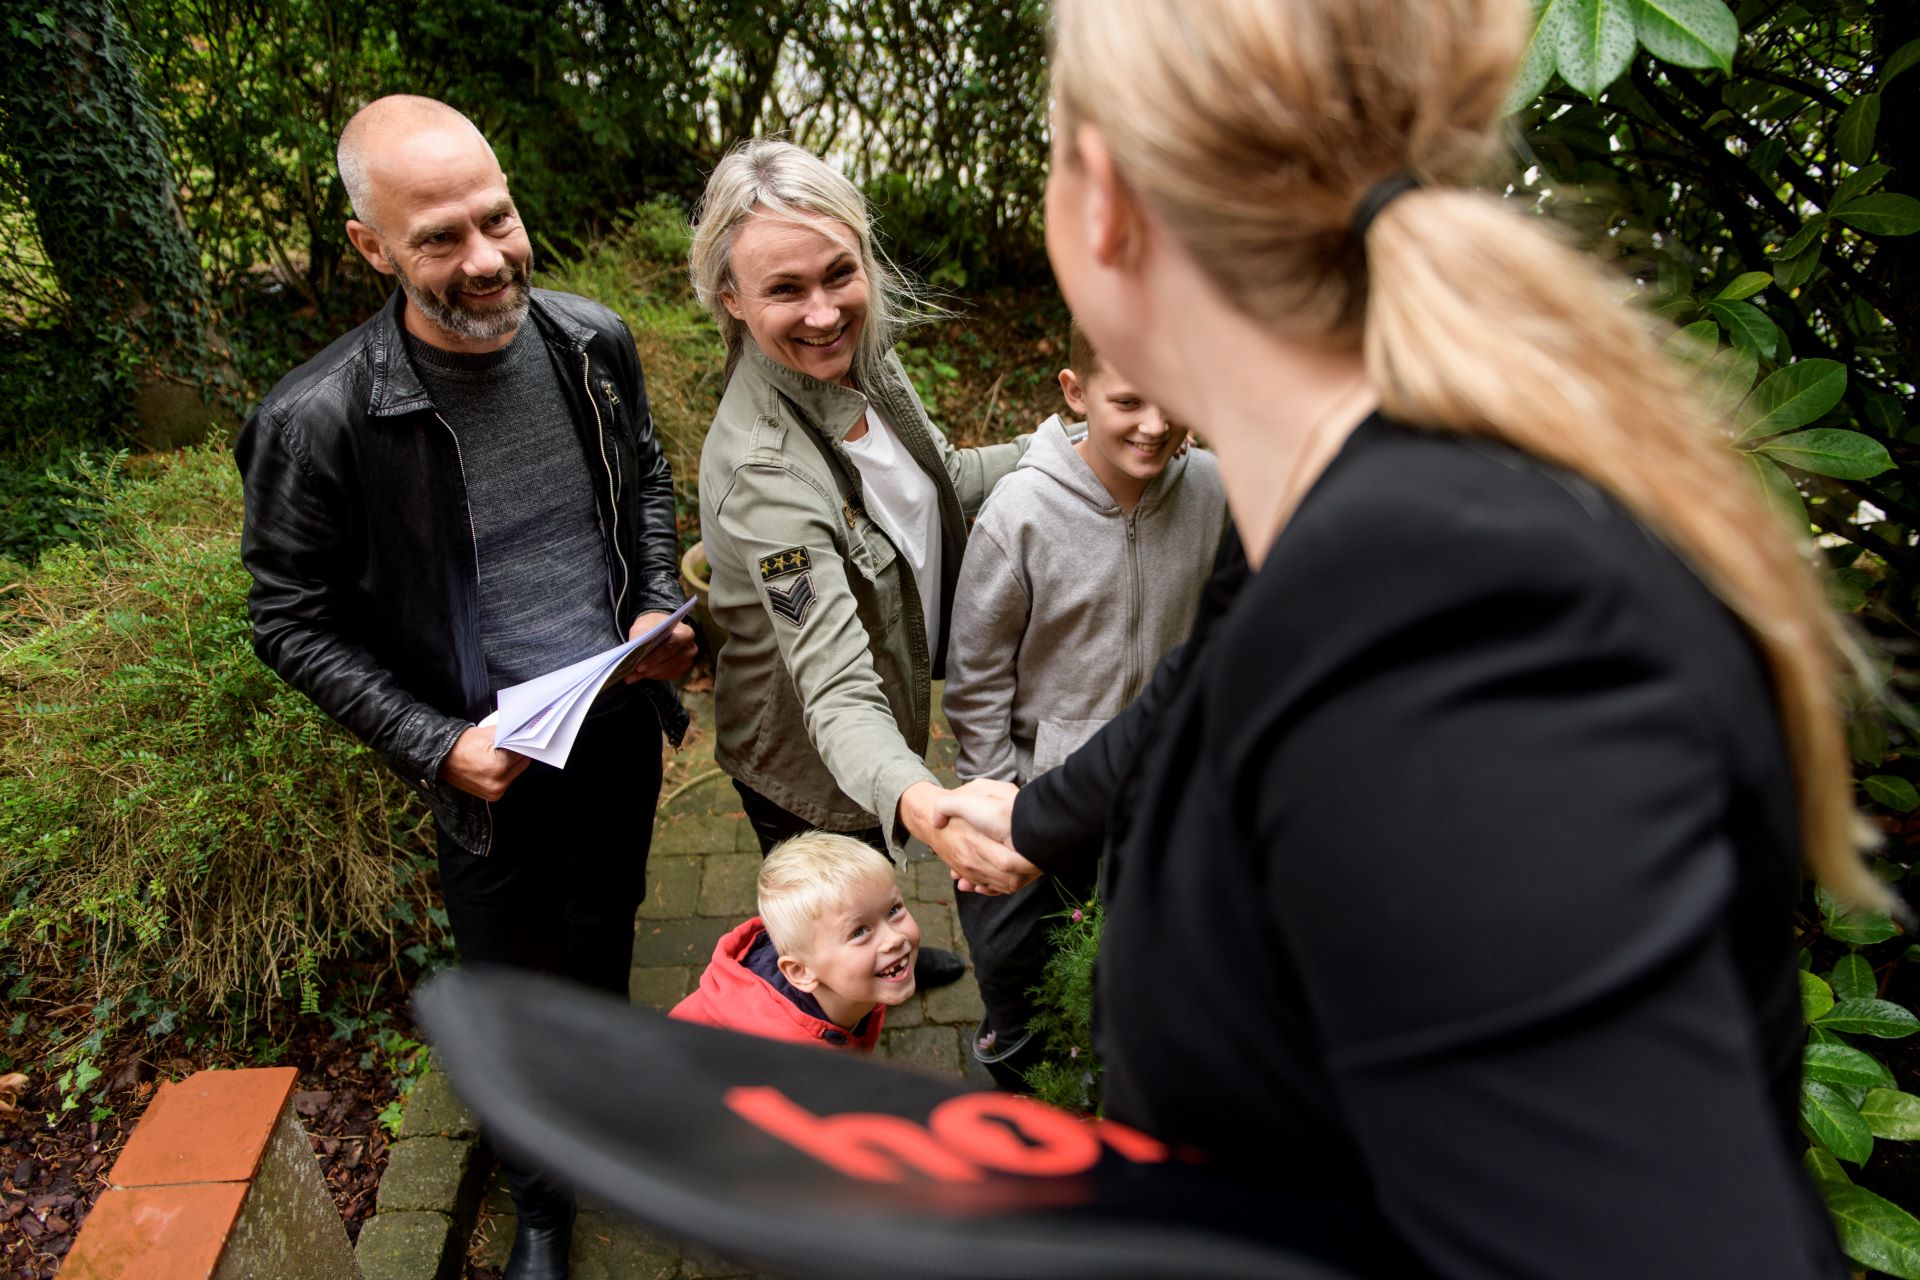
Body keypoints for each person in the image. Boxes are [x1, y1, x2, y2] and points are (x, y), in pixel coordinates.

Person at [933, 0, 1881, 1272]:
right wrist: (1031, 819)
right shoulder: (1333, 514)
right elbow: (1206, 689)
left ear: (1101, 200)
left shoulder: (1452, 629)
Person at [234, 95, 695, 1280]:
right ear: (371, 248)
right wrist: (433, 740)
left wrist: (651, 598)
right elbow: (289, 617)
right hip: (483, 766)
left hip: (615, 722)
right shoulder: (317, 418)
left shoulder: (592, 340)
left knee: (608, 927)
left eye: (497, 218)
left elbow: (643, 471)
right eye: (440, 237)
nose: (487, 260)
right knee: (511, 975)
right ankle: (542, 1197)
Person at [687, 137, 1031, 987]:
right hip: (811, 764)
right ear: (730, 298)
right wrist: (927, 804)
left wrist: (1078, 443)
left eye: (838, 273)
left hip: (890, 716)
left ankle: (890, 942)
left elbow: (945, 481)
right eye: (784, 290)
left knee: (873, 902)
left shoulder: (862, 359)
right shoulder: (764, 476)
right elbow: (836, 690)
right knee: (830, 941)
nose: (822, 313)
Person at [940, 320, 1223, 1083]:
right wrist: (1006, 796)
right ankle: (1019, 1071)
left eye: (1172, 400)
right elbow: (976, 678)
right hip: (1040, 796)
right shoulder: (1019, 515)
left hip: (1161, 792)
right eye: (1128, 401)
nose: (1156, 425)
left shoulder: (1214, 492)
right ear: (1076, 391)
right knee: (1016, 968)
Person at [670, 832, 921, 1051]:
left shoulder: (854, 978)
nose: (894, 939)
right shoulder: (777, 1055)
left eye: (892, 910)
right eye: (858, 932)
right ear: (800, 971)